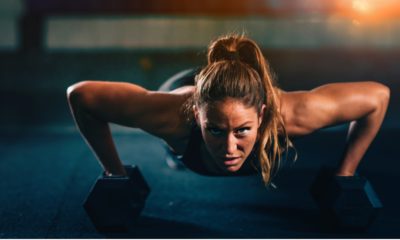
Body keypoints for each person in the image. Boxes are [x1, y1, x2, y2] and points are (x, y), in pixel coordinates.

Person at [66, 34, 390, 185]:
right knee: (176, 149)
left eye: (243, 131)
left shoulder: (289, 115)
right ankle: (182, 147)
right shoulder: (171, 116)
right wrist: (114, 172)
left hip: (234, 94)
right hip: (185, 89)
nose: (230, 148)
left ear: (261, 116)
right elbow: (81, 96)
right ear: (198, 118)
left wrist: (345, 173)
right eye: (216, 131)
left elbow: (378, 97)